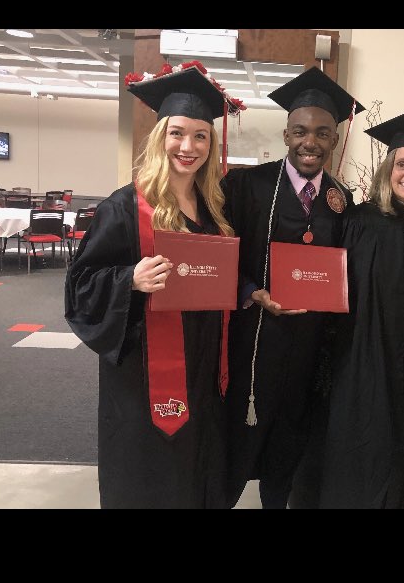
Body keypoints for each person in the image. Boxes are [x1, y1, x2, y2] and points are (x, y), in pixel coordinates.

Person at [65, 62, 234, 509]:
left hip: (201, 361)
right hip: (144, 369)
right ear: (161, 137)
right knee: (149, 470)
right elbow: (81, 285)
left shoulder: (214, 209)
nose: (188, 146)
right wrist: (130, 279)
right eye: (178, 132)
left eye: (201, 136)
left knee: (197, 461)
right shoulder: (124, 206)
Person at [222, 66, 363, 509]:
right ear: (286, 134)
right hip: (252, 341)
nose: (311, 142)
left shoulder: (342, 200)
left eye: (323, 133)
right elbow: (220, 254)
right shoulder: (247, 185)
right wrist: (250, 290)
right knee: (233, 446)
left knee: (289, 443)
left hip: (307, 349)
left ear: (335, 141)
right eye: (301, 131)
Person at [312, 111, 404, 509]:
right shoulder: (357, 223)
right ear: (388, 168)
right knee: (363, 449)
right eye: (401, 163)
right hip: (363, 361)